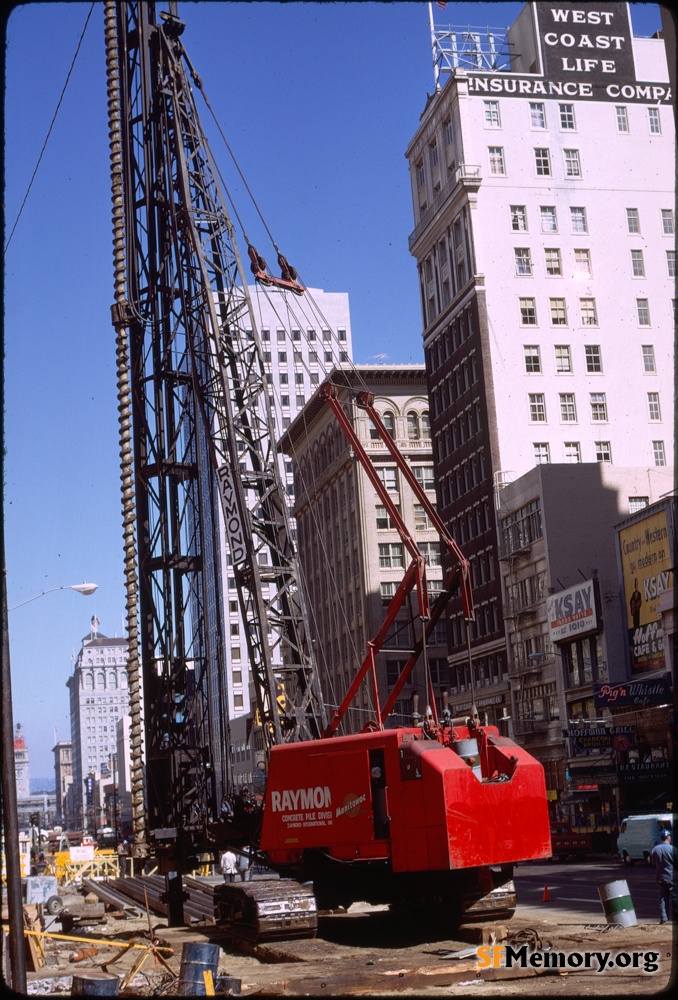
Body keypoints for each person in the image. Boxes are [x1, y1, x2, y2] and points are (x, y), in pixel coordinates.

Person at [650, 829, 676, 924]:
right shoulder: (673, 849)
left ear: (661, 838)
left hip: (660, 877)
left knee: (663, 899)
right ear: (669, 838)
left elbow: (653, 863)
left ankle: (664, 918)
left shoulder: (655, 849)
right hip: (672, 877)